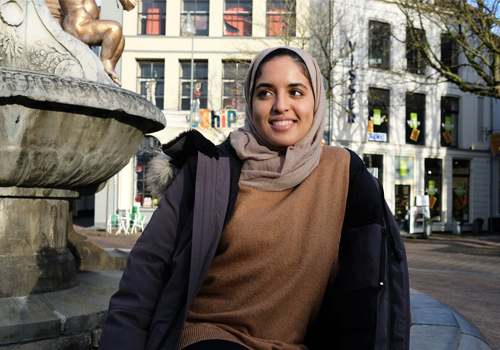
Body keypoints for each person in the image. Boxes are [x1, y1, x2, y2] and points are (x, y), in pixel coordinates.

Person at [99, 47, 410, 350]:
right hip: (209, 336)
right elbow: (148, 267)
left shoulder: (344, 171)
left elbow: (376, 277)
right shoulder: (211, 168)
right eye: (265, 93)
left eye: (296, 92)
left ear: (317, 102)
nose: (280, 105)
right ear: (250, 102)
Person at [59, 0, 137, 86]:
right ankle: (105, 62)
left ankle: (109, 72)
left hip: (87, 23)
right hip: (77, 25)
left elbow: (129, 6)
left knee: (120, 39)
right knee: (114, 28)